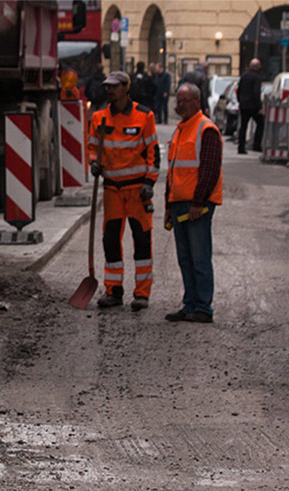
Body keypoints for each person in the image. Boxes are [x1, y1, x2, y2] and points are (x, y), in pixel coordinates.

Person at [87, 71, 159, 311]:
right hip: (112, 190)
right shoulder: (99, 117)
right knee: (111, 240)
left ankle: (142, 294)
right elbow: (92, 146)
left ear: (126, 89)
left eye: (115, 87)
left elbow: (153, 152)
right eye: (107, 86)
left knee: (141, 241)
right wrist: (93, 163)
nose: (110, 90)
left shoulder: (144, 116)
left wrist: (150, 181)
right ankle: (113, 291)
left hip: (137, 189)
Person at [164, 84, 222, 324]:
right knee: (185, 258)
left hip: (197, 205)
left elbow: (209, 170)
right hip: (179, 203)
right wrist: (168, 204)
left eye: (185, 100)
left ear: (197, 101)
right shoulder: (180, 130)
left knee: (199, 258)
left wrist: (198, 203)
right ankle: (190, 304)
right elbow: (173, 171)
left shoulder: (206, 129)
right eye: (178, 101)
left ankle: (202, 307)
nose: (180, 105)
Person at [236, 58, 264, 154]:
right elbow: (256, 93)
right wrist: (259, 107)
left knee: (243, 126)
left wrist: (240, 101)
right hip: (253, 106)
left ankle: (241, 147)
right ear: (257, 67)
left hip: (244, 105)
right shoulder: (257, 78)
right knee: (260, 123)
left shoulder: (244, 76)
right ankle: (256, 145)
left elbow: (238, 90)